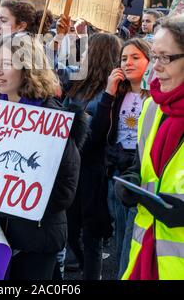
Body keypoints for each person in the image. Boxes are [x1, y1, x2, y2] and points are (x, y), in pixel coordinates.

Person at [0, 34, 87, 280]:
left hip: (36, 240)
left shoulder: (52, 119)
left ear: (28, 69)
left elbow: (64, 191)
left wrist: (1, 203)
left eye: (7, 64)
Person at [116, 15, 184, 280]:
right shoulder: (152, 106)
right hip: (144, 257)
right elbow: (141, 165)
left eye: (165, 58)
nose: (155, 68)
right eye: (154, 57)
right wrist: (130, 180)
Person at [90, 38, 151, 277]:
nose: (128, 63)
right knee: (122, 231)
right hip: (116, 170)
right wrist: (108, 93)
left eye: (136, 57)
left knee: (132, 237)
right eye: (124, 58)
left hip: (141, 171)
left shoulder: (155, 96)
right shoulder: (117, 94)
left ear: (150, 60)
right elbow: (98, 131)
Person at [64, 33, 122, 279]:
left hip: (92, 171)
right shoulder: (77, 82)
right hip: (71, 165)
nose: (83, 54)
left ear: (96, 54)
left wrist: (109, 95)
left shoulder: (112, 90)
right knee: (70, 229)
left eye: (87, 50)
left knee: (91, 234)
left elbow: (98, 134)